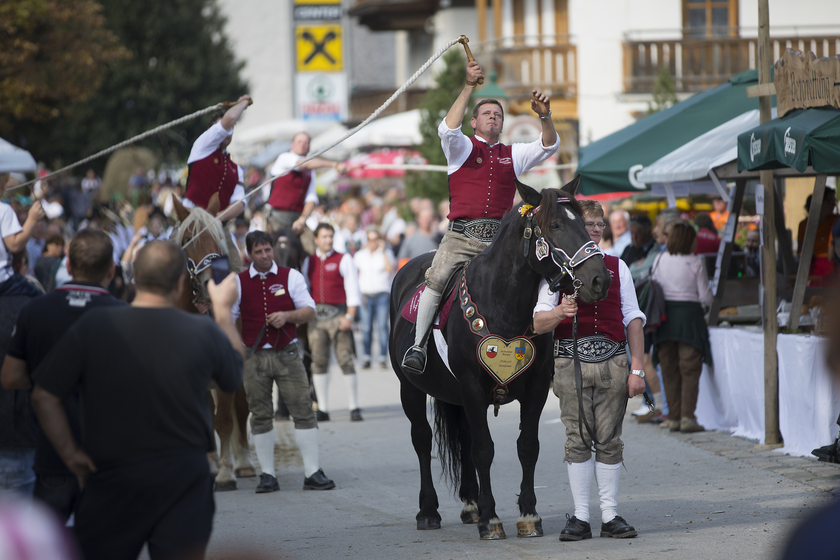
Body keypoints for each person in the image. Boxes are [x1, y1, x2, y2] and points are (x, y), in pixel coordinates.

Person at [30, 241, 244, 560]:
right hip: (183, 477)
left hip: (112, 475)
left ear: (132, 277)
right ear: (180, 283)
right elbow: (234, 377)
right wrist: (224, 312)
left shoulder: (94, 325)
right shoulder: (203, 330)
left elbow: (44, 394)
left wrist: (70, 454)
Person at [402, 59, 560, 373]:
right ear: (474, 122)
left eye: (497, 115)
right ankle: (418, 346)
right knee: (437, 277)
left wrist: (545, 116)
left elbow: (549, 145)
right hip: (461, 237)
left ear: (502, 124)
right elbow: (447, 128)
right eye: (486, 113)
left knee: (537, 276)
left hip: (499, 242)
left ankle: (543, 352)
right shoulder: (460, 148)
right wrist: (468, 86)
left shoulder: (512, 154)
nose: (493, 117)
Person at [531, 199, 646, 541]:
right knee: (578, 440)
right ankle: (581, 517)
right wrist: (559, 313)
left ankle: (609, 516)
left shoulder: (617, 266)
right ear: (577, 228)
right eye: (589, 224)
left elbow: (633, 319)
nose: (595, 229)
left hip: (614, 362)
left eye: (599, 224)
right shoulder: (555, 271)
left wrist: (637, 369)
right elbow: (538, 322)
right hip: (570, 365)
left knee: (609, 440)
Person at [1, 230, 121, 521]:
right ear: (111, 270)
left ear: (68, 265)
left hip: (51, 456)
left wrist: (51, 379)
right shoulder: (124, 315)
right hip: (107, 459)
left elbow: (11, 377)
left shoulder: (35, 309)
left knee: (50, 540)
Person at [232, 231, 334, 493]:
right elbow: (228, 319)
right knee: (260, 415)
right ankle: (267, 475)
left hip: (287, 353)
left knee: (303, 410)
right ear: (249, 254)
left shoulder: (291, 276)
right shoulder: (238, 282)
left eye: (268, 250)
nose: (265, 255)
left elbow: (309, 311)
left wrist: (287, 316)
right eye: (258, 252)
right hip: (254, 357)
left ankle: (312, 472)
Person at [651, 221, 713, 433]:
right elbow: (705, 297)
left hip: (664, 318)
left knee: (668, 368)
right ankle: (688, 417)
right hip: (689, 318)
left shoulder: (659, 259)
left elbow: (655, 286)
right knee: (690, 368)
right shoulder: (696, 262)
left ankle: (674, 418)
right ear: (688, 240)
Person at [302, 224, 362, 422]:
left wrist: (350, 317)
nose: (328, 240)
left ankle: (354, 407)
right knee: (318, 362)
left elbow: (353, 288)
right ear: (316, 239)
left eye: (330, 236)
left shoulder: (343, 259)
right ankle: (323, 409)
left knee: (345, 360)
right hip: (316, 319)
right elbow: (305, 289)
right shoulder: (309, 261)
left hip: (338, 316)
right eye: (324, 237)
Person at [183, 95, 252, 223]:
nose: (227, 132)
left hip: (219, 225)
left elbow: (240, 203)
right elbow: (231, 118)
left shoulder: (237, 170)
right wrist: (243, 103)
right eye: (224, 128)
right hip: (190, 220)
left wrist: (218, 218)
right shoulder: (201, 146)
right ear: (210, 132)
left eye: (231, 128)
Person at [266, 132, 344, 237]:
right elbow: (304, 164)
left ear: (309, 147)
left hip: (297, 219)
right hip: (275, 217)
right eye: (299, 142)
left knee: (312, 244)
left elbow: (311, 198)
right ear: (292, 144)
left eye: (306, 143)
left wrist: (303, 218)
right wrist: (334, 164)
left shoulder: (310, 172)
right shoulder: (284, 157)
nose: (302, 145)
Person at [353, 227, 396, 370]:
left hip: (381, 294)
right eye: (370, 239)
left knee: (382, 327)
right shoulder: (360, 255)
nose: (372, 243)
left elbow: (390, 268)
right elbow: (353, 273)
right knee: (366, 328)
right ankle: (367, 357)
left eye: (375, 239)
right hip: (365, 295)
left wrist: (382, 251)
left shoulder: (386, 253)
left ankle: (383, 358)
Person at [1, 195, 45, 297]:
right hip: (5, 280)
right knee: (37, 295)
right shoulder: (4, 210)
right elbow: (15, 245)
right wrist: (32, 219)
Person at [796, 189, 837, 282]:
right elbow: (801, 253)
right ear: (819, 203)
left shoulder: (836, 221)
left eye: (834, 201)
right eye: (830, 202)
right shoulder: (804, 225)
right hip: (814, 269)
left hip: (834, 268)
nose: (834, 205)